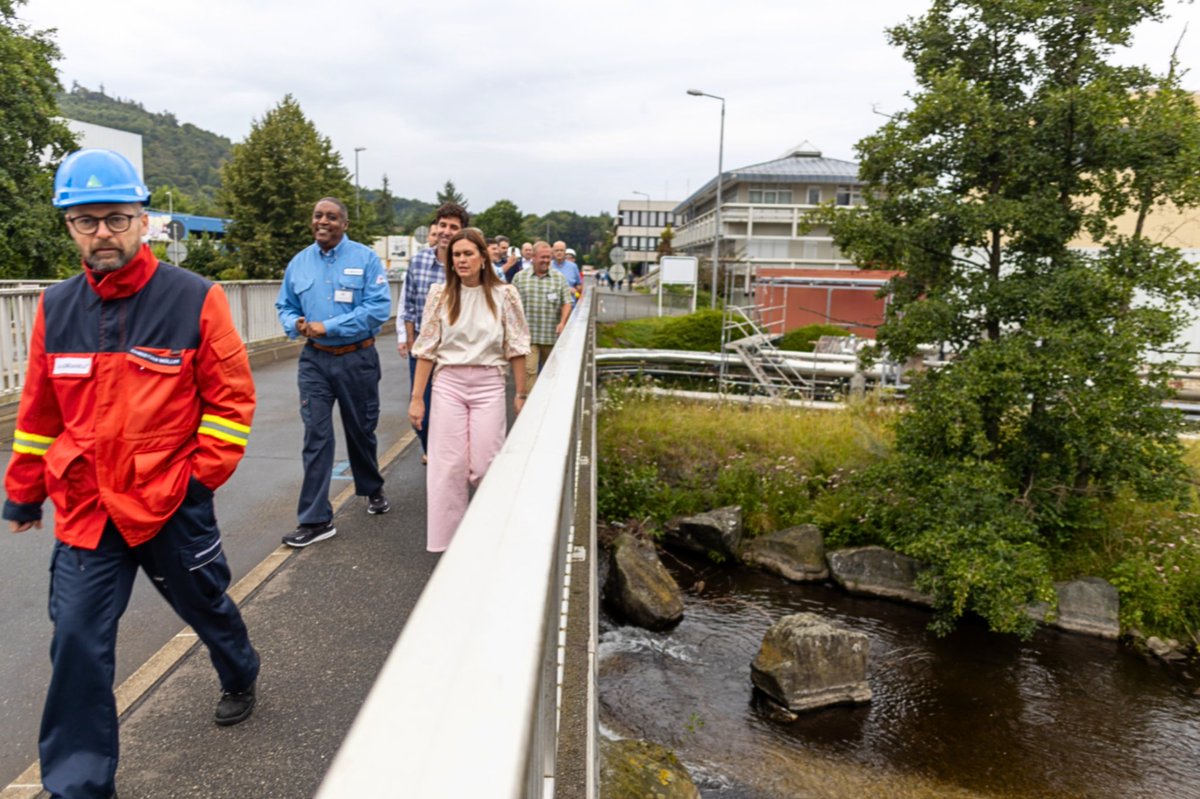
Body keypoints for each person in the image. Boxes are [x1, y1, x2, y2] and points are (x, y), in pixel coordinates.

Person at [2, 148, 260, 799]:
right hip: (89, 508)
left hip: (169, 500)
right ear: (69, 226)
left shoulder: (195, 298)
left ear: (143, 220)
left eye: (116, 218)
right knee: (77, 642)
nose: (103, 233)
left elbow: (231, 404)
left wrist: (197, 481)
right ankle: (79, 786)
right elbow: (38, 413)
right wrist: (24, 492)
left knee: (205, 604)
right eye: (86, 220)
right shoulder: (56, 307)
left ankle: (239, 668)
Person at [276, 197, 392, 548]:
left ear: (344, 224)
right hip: (315, 361)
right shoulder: (299, 263)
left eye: (331, 217)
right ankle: (315, 519)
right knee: (317, 435)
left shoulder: (365, 259)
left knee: (361, 431)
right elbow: (285, 304)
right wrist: (294, 323)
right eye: (318, 216)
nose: (323, 221)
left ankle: (372, 486)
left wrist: (329, 326)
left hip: (357, 358)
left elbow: (378, 308)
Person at [408, 229, 530, 552]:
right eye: (456, 255)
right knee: (447, 467)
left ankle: (491, 536)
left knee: (486, 464)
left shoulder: (505, 295)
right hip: (448, 384)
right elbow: (426, 349)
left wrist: (521, 394)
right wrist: (417, 399)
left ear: (483, 258)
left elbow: (517, 346)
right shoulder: (440, 295)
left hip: (489, 384)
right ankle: (449, 547)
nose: (461, 260)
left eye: (468, 254)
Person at [400, 202, 468, 460]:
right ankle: (432, 450)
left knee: (453, 413)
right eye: (442, 225)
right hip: (424, 351)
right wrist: (410, 341)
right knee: (421, 414)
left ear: (462, 231)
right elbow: (409, 306)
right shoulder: (417, 263)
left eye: (453, 227)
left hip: (457, 352)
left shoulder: (466, 264)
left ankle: (449, 459)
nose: (446, 231)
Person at [512, 241, 572, 393]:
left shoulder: (559, 278)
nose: (546, 261)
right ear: (533, 257)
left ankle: (549, 399)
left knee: (552, 373)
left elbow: (567, 302)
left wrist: (562, 322)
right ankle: (530, 403)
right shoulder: (520, 278)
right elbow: (511, 305)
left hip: (551, 336)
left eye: (548, 257)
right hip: (528, 337)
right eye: (542, 257)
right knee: (529, 372)